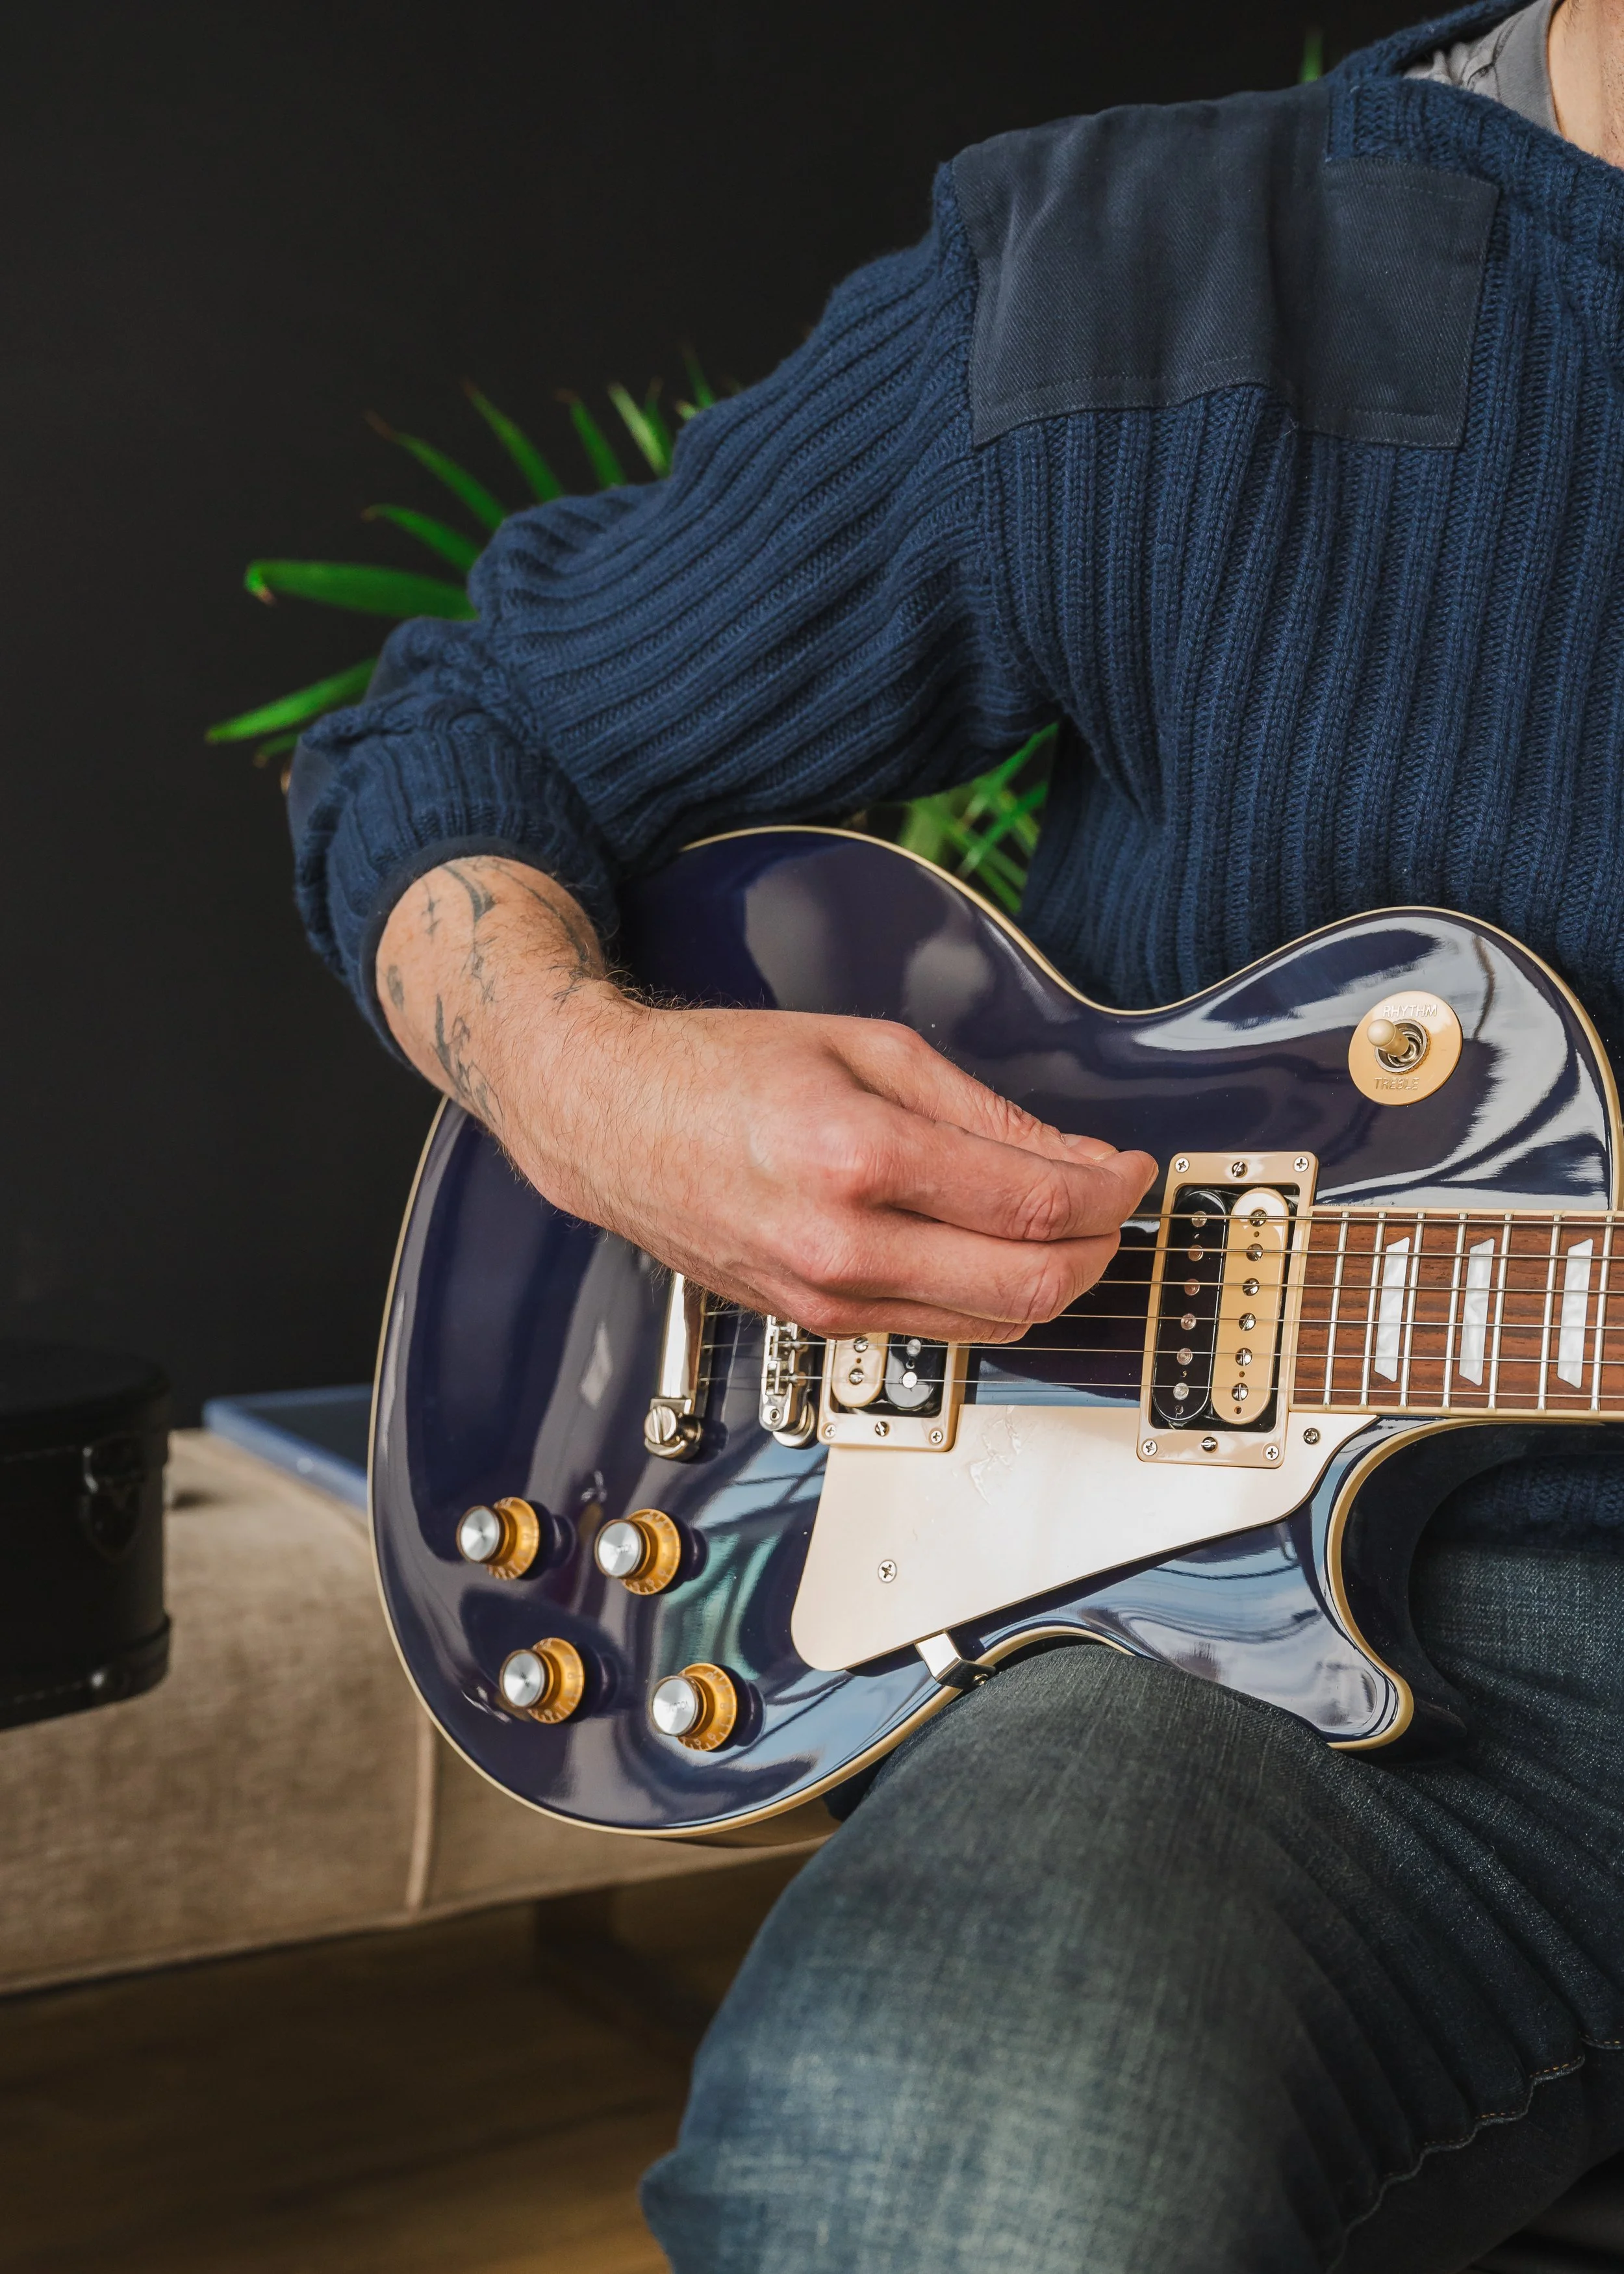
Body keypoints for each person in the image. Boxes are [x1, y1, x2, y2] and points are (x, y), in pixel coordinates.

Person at [288, 4, 1624, 2266]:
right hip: (1303, 1666)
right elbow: (460, 734)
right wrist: (601, 1090)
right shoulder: (1164, 268)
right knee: (921, 2175)